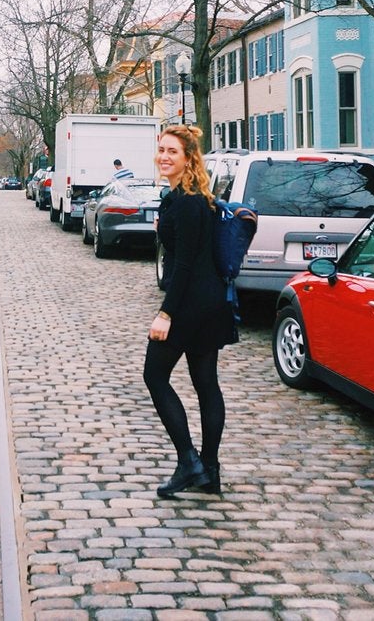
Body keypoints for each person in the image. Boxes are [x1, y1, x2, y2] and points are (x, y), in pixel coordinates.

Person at [144, 124, 237, 498]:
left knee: (155, 375)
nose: (164, 157)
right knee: (205, 384)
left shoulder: (186, 201)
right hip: (209, 301)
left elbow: (181, 266)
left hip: (190, 304)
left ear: (188, 159)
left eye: (172, 152)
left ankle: (189, 461)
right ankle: (209, 471)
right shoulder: (192, 197)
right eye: (161, 150)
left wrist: (165, 314)